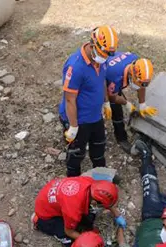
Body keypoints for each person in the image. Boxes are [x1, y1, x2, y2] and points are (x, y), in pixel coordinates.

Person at [59, 26, 119, 177]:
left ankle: (101, 182)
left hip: (95, 116)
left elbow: (102, 81)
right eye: (103, 53)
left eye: (107, 54)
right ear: (93, 45)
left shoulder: (101, 58)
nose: (105, 57)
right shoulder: (76, 66)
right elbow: (69, 99)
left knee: (99, 148)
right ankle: (73, 183)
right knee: (76, 154)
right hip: (79, 119)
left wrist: (106, 102)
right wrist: (73, 126)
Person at [32, 176, 126, 247]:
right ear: (94, 201)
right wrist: (88, 240)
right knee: (73, 242)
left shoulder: (91, 183)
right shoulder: (73, 209)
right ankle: (38, 222)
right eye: (102, 206)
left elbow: (105, 200)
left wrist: (117, 215)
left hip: (51, 194)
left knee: (89, 218)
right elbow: (69, 231)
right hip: (46, 212)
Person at [105, 54, 158, 152]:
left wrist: (142, 104)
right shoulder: (115, 75)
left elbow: (142, 86)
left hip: (116, 75)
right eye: (136, 82)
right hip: (99, 77)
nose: (138, 86)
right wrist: (126, 103)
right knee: (115, 109)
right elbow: (112, 97)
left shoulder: (138, 64)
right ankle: (121, 138)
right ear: (131, 73)